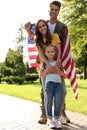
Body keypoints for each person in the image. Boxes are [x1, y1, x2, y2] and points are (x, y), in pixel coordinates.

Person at [40, 44, 64, 129]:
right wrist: (47, 70)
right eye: (48, 52)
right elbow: (41, 75)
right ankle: (49, 119)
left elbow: (63, 74)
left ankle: (56, 119)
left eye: (52, 51)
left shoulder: (58, 63)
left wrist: (57, 71)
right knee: (48, 102)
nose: (50, 53)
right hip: (49, 84)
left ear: (55, 52)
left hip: (58, 84)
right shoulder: (44, 63)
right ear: (45, 53)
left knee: (57, 102)